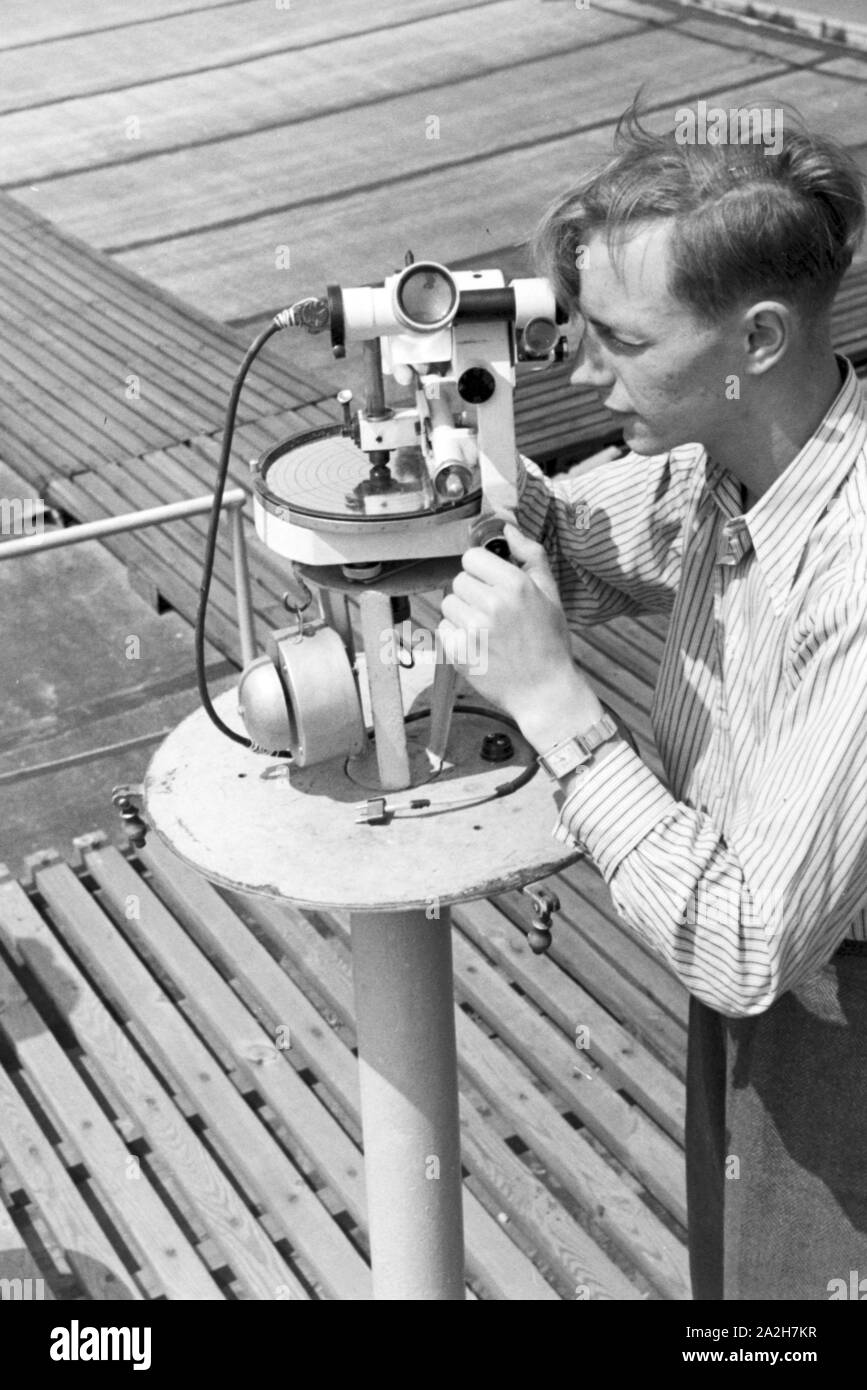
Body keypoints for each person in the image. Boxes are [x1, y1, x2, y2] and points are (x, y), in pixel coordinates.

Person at [437, 99, 867, 1300]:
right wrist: (462, 456)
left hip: (828, 1018)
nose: (583, 372)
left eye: (620, 341)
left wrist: (557, 705)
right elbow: (568, 547)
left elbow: (740, 947)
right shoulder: (724, 469)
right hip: (777, 991)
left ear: (759, 339)